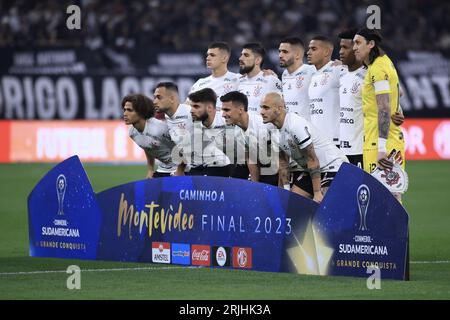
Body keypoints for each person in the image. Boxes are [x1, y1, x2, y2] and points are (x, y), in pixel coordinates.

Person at [260, 92, 348, 203]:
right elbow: (283, 163)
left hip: (333, 166)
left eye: (266, 108)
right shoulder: (270, 129)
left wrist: (317, 193)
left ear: (279, 108)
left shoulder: (295, 124)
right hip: (311, 170)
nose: (261, 112)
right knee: (292, 203)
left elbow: (312, 159)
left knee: (323, 204)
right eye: (261, 107)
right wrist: (284, 192)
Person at [353, 28, 406, 196]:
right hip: (385, 140)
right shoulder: (384, 63)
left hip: (380, 143)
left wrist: (382, 148)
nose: (354, 47)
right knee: (389, 199)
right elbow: (398, 93)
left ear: (370, 44)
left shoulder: (377, 69)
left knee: (383, 200)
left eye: (358, 43)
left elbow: (383, 108)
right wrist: (398, 109)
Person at [238, 42, 283, 186]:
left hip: (268, 144)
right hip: (245, 144)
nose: (240, 58)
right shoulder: (238, 82)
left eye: (246, 55)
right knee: (252, 187)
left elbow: (281, 108)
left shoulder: (270, 80)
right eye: (241, 54)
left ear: (258, 60)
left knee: (273, 186)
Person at [220, 91, 283, 184]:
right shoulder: (237, 131)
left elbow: (282, 160)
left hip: (283, 168)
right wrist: (255, 185)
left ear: (241, 110)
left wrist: (282, 187)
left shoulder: (263, 127)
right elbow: (250, 159)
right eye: (223, 110)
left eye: (227, 110)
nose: (223, 114)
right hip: (265, 167)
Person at [122, 93, 178, 178]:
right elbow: (148, 147)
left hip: (183, 168)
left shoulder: (159, 128)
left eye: (130, 110)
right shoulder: (132, 132)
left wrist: (180, 170)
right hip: (164, 168)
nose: (125, 113)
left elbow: (183, 146)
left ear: (141, 112)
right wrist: (150, 169)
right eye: (124, 110)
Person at [307, 35, 344, 147]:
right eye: (309, 49)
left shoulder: (337, 69)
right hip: (316, 141)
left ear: (327, 52)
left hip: (334, 141)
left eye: (313, 49)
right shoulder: (312, 73)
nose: (308, 52)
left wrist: (347, 67)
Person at [187, 88, 232, 177]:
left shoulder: (226, 121)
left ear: (209, 108)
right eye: (191, 107)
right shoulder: (191, 124)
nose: (191, 111)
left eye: (196, 106)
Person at [153, 82, 192, 176]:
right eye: (154, 97)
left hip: (195, 171)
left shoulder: (190, 113)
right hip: (179, 169)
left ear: (172, 99)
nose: (154, 101)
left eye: (159, 97)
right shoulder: (167, 116)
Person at [189, 42, 240, 111]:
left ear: (224, 58)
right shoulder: (200, 83)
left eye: (212, 55)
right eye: (207, 55)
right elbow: (188, 106)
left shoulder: (238, 80)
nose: (207, 58)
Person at [278, 36, 316, 120]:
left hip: (307, 127)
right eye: (279, 51)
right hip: (290, 127)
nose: (280, 55)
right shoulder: (285, 74)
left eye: (285, 52)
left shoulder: (311, 71)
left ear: (297, 55)